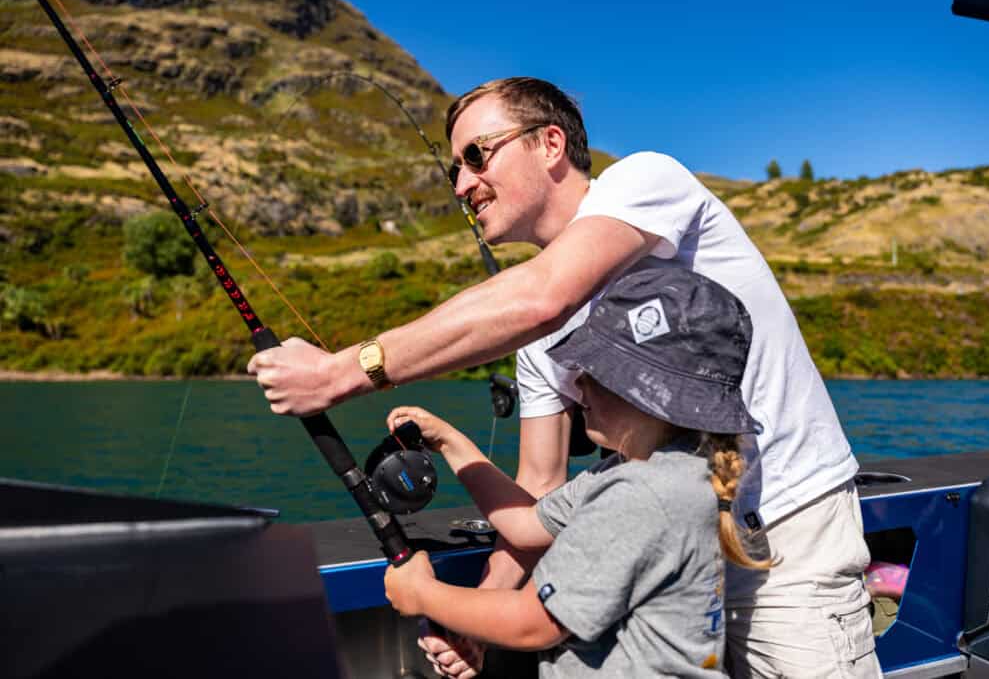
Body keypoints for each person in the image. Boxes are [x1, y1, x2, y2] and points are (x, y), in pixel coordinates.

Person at [247, 77, 880, 678]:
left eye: (477, 155)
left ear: (550, 143)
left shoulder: (645, 179)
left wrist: (339, 374)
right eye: (453, 170)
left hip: (784, 543)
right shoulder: (538, 339)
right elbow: (539, 494)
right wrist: (478, 616)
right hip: (659, 568)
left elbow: (544, 295)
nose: (463, 184)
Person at [384, 267, 769, 678]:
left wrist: (424, 594)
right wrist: (451, 444)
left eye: (595, 371)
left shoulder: (641, 495)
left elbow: (534, 624)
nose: (576, 384)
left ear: (645, 392)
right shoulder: (667, 469)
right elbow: (525, 524)